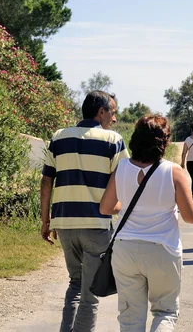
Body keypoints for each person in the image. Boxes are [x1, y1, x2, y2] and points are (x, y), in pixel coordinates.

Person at [40, 90, 130, 332]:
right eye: (112, 113)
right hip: (97, 226)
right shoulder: (113, 140)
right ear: (101, 112)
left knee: (75, 284)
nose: (114, 119)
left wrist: (45, 221)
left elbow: (46, 181)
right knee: (89, 294)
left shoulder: (58, 137)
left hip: (65, 225)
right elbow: (125, 181)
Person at [100, 115, 193, 331]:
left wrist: (128, 208)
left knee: (130, 318)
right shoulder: (174, 172)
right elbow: (191, 217)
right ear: (164, 141)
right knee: (165, 311)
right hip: (162, 249)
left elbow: (106, 208)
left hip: (125, 249)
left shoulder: (122, 167)